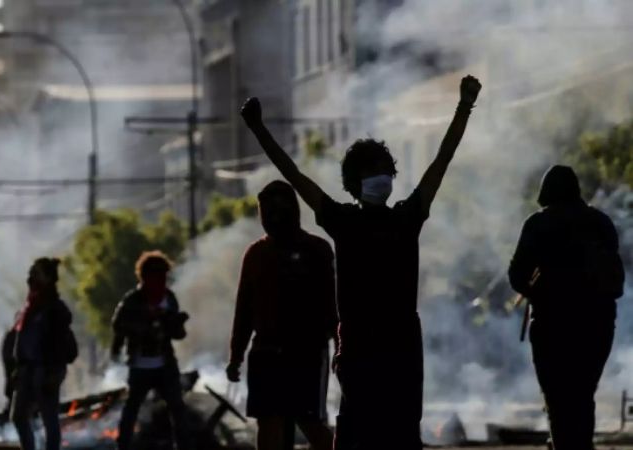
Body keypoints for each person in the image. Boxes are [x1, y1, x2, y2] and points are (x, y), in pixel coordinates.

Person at [240, 75, 481, 449]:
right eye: (373, 171)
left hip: (386, 347)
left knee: (382, 434)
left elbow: (442, 159)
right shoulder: (379, 219)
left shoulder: (383, 218)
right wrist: (259, 130)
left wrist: (465, 106)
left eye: (384, 169)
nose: (381, 177)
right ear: (355, 181)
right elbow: (294, 175)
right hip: (373, 348)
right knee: (372, 434)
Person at [509, 166, 624, 450]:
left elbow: (516, 276)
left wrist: (539, 291)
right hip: (597, 325)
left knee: (558, 398)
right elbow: (615, 280)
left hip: (551, 325)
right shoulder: (601, 222)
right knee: (583, 395)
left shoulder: (538, 223)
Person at [226, 181, 337, 450]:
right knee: (268, 423)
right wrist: (236, 356)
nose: (273, 217)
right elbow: (245, 310)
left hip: (307, 352)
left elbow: (333, 306)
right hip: (266, 352)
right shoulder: (256, 254)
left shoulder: (318, 250)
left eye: (279, 209)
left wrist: (341, 346)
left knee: (310, 422)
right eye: (267, 210)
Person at [111, 251, 191, 450]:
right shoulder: (132, 300)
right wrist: (144, 323)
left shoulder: (169, 298)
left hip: (165, 364)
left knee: (178, 410)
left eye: (164, 277)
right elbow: (118, 326)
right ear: (145, 277)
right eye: (158, 276)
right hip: (140, 365)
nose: (162, 282)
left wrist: (173, 323)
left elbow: (178, 334)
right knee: (131, 410)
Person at [12, 258, 75, 450]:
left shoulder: (55, 308)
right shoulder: (32, 306)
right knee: (19, 416)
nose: (31, 278)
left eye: (36, 273)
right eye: (31, 273)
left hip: (46, 369)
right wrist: (18, 367)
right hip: (29, 369)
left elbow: (58, 344)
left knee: (49, 417)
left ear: (48, 278)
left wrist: (54, 373)